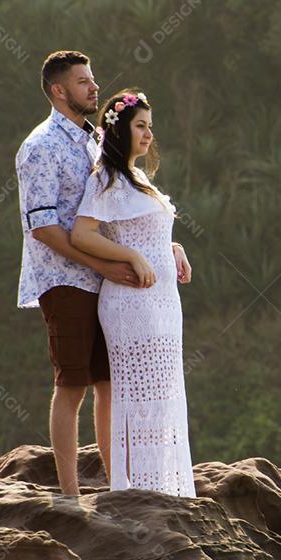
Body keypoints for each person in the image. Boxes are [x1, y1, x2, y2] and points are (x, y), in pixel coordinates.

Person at [15, 50, 191, 496]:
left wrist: (162, 247)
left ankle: (119, 488)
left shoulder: (94, 140)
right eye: (82, 82)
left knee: (108, 383)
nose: (94, 87)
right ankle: (71, 496)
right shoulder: (40, 146)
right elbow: (43, 228)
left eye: (92, 80)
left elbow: (120, 215)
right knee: (71, 384)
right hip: (64, 278)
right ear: (58, 90)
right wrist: (105, 265)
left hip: (108, 283)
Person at [70, 89, 196, 496]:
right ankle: (134, 490)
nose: (148, 135)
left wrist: (172, 249)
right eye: (141, 126)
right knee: (137, 392)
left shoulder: (137, 177)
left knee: (163, 391)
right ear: (121, 130)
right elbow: (83, 234)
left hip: (163, 303)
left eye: (150, 127)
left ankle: (162, 485)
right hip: (131, 303)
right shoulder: (104, 178)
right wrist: (130, 256)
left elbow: (146, 229)